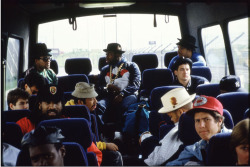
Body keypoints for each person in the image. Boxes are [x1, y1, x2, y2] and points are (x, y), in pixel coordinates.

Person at [16, 84, 102, 166]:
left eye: (56, 103)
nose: (52, 107)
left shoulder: (73, 125)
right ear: (39, 105)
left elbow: (96, 154)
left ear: (62, 105)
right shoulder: (24, 124)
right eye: (48, 103)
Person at [65, 82, 123, 166]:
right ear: (80, 102)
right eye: (92, 99)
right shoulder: (71, 120)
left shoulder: (87, 110)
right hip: (84, 154)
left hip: (93, 147)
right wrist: (105, 145)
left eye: (95, 98)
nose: (96, 102)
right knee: (115, 156)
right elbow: (87, 144)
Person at [166, 95, 232, 166]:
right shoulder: (195, 148)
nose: (201, 125)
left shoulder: (237, 140)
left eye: (206, 119)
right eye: (197, 120)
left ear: (219, 121)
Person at [139, 87, 195, 166]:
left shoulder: (179, 130)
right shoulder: (202, 122)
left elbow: (155, 160)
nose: (171, 120)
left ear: (180, 112)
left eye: (171, 116)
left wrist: (145, 137)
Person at [96, 43, 141, 137]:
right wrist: (107, 88)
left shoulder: (131, 66)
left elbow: (135, 84)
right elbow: (99, 87)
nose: (106, 57)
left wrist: (122, 94)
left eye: (109, 54)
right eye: (106, 54)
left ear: (117, 55)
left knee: (124, 105)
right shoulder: (105, 70)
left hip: (128, 94)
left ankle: (122, 134)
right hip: (109, 95)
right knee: (99, 105)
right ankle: (100, 133)